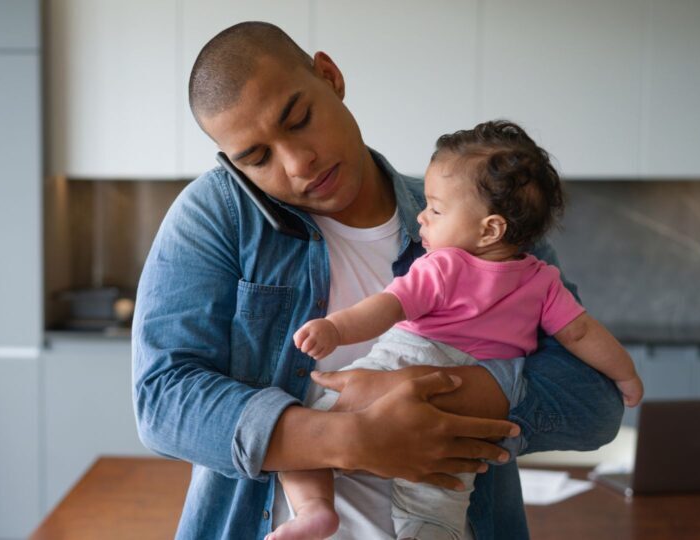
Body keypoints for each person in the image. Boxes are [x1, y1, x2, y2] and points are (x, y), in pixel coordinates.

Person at [132, 21, 623, 540]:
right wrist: (351, 438)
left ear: (330, 76)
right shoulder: (217, 215)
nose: (298, 163)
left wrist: (423, 396)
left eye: (299, 120)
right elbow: (163, 402)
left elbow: (593, 404)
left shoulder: (478, 215)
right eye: (258, 158)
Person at [272, 120, 644, 540]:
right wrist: (626, 375)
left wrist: (335, 329)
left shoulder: (444, 265)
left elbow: (388, 307)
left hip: (407, 360)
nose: (421, 216)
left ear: (490, 228)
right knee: (440, 494)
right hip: (470, 403)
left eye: (435, 209)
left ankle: (315, 510)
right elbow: (581, 334)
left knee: (303, 435)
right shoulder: (543, 280)